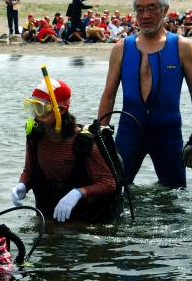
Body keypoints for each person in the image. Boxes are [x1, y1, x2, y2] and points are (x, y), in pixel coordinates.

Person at [98, 0, 192, 188]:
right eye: (140, 9)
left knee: (175, 200)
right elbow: (109, 95)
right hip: (129, 134)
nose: (145, 15)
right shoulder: (121, 48)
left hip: (168, 135)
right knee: (114, 192)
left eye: (151, 8)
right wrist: (100, 137)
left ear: (165, 10)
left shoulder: (181, 47)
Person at [11, 78, 119, 223]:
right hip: (48, 217)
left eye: (40, 108)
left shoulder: (83, 143)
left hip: (84, 222)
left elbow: (108, 183)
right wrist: (22, 184)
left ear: (61, 110)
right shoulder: (34, 137)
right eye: (31, 107)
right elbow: (29, 172)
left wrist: (78, 193)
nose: (35, 116)